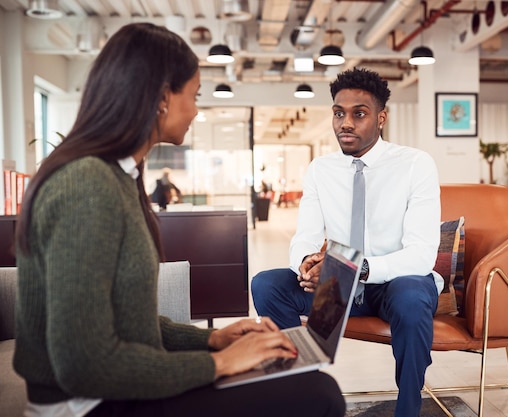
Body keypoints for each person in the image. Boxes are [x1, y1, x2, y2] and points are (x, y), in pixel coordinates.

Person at [13, 23, 345, 417]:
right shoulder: (87, 184)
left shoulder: (116, 176)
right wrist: (219, 363)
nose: (197, 109)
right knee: (317, 395)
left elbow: (122, 321)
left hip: (112, 390)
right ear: (161, 99)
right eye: (194, 95)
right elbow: (86, 365)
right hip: (88, 404)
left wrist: (212, 340)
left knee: (303, 383)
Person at [251, 67, 442, 417]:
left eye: (359, 114)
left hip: (394, 284)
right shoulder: (321, 169)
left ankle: (409, 407)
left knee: (413, 295)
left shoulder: (415, 165)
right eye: (339, 113)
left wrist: (361, 268)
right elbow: (305, 236)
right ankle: (305, 390)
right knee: (266, 284)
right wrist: (307, 263)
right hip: (338, 287)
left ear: (381, 118)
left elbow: (420, 256)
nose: (346, 123)